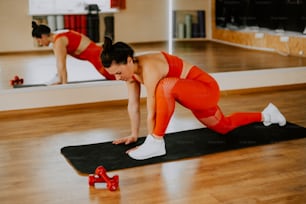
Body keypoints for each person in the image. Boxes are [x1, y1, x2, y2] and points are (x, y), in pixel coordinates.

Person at [101, 37, 287, 160]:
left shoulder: (150, 68)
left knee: (164, 86)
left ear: (128, 60)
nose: (118, 78)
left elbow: (153, 110)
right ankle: (267, 115)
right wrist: (134, 136)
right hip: (194, 97)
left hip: (206, 90)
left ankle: (157, 143)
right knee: (224, 126)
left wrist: (150, 141)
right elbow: (133, 105)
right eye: (114, 75)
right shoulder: (130, 74)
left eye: (118, 72)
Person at [31, 21, 115, 84]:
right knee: (117, 76)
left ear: (43, 36)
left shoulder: (59, 41)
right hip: (98, 53)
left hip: (98, 57)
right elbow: (59, 63)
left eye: (39, 41)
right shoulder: (57, 38)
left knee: (117, 77)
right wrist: (60, 81)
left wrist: (64, 86)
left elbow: (62, 65)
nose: (40, 44)